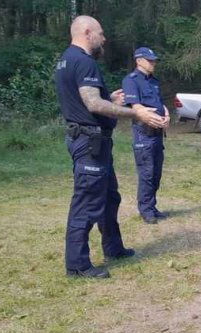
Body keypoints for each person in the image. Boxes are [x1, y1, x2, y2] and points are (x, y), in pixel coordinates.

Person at [54, 16, 164, 279]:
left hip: (91, 140)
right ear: (87, 32)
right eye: (101, 34)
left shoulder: (66, 59)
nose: (104, 39)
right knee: (87, 201)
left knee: (108, 197)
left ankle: (113, 247)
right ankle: (78, 265)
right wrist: (134, 113)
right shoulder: (84, 61)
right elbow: (92, 105)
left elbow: (86, 100)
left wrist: (110, 98)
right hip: (89, 142)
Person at [121, 47, 170, 224]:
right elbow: (135, 107)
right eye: (150, 60)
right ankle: (145, 210)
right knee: (147, 174)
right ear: (139, 61)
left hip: (157, 134)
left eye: (154, 60)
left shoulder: (154, 81)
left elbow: (160, 104)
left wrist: (166, 116)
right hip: (144, 134)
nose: (153, 63)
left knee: (156, 173)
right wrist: (152, 118)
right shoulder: (131, 81)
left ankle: (152, 205)